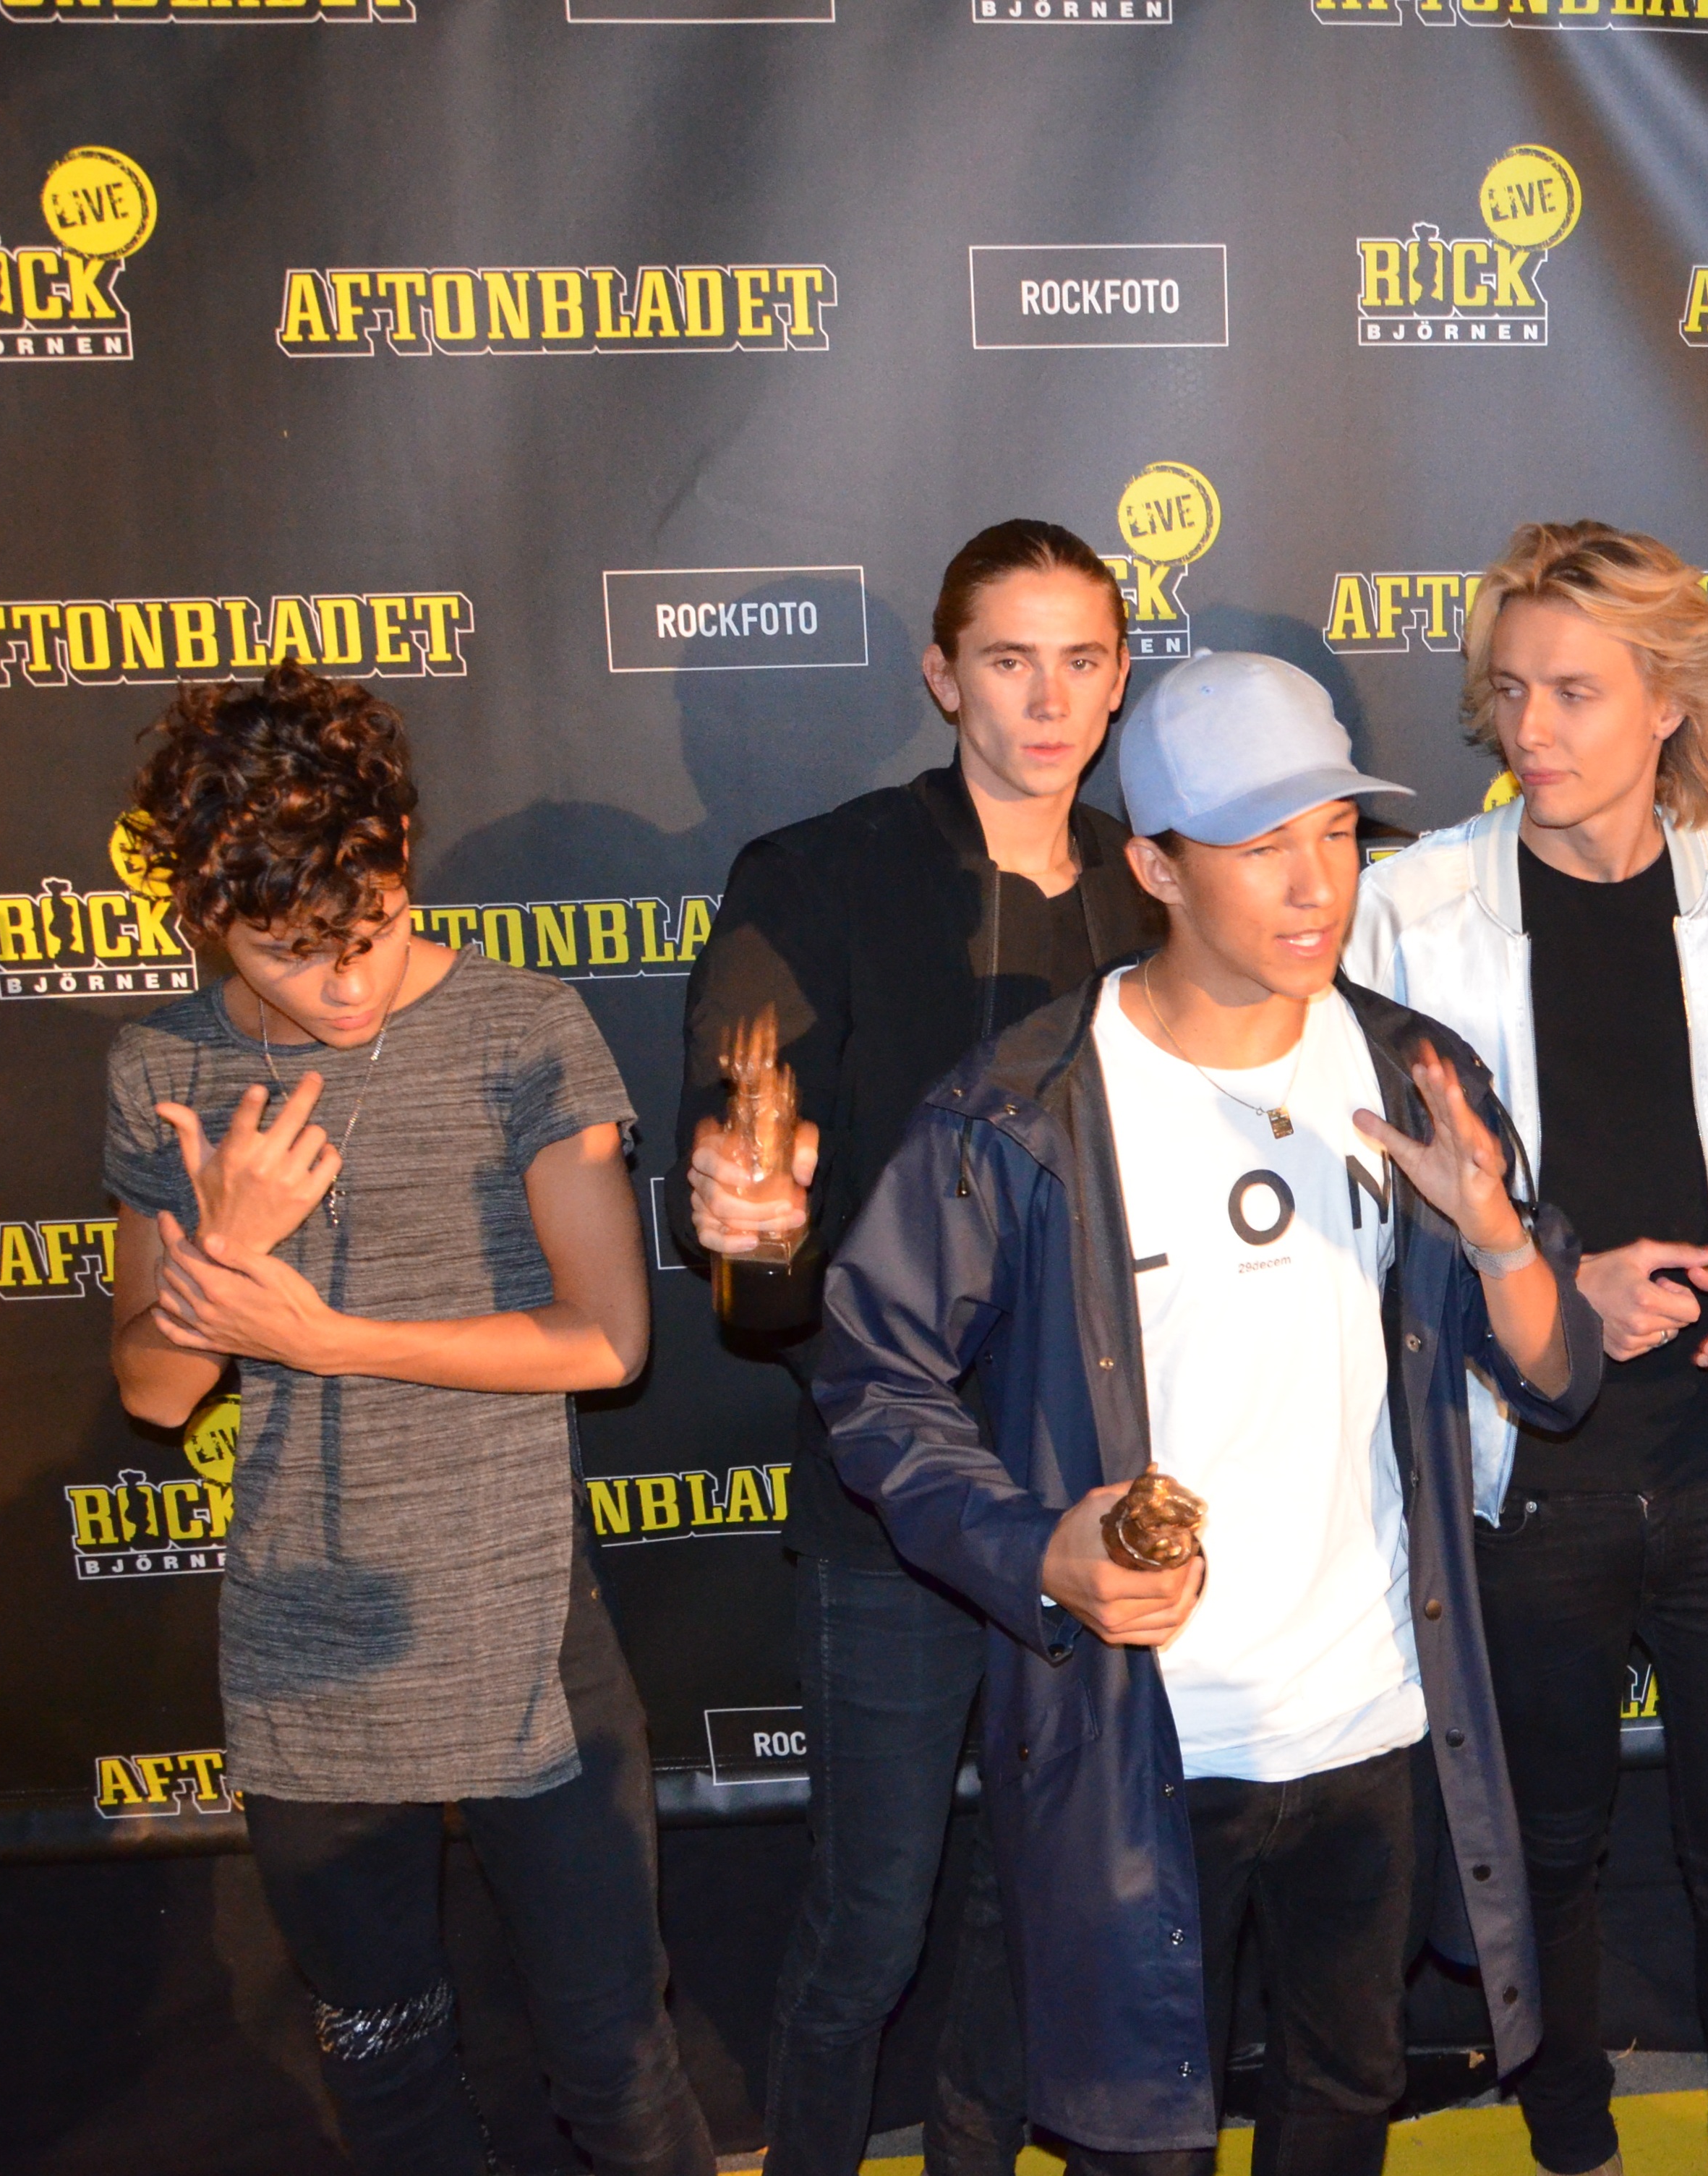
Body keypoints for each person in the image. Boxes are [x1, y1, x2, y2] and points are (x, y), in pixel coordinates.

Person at [811, 651, 1605, 2176]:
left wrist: (1502, 1237)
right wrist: (1035, 1547)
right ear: (1157, 867)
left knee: (1342, 2108)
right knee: (1139, 2143)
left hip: (1373, 1721)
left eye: (1337, 833)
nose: (1317, 885)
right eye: (1261, 845)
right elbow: (871, 1374)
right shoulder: (1027, 1105)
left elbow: (1560, 1376)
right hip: (1145, 1742)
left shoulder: (1414, 1073)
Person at [101, 665, 712, 2175]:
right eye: (289, 953)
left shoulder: (523, 1025)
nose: (343, 986)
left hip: (523, 1625)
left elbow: (610, 1339)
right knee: (387, 2074)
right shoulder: (165, 1067)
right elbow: (154, 1388)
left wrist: (327, 1338)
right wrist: (225, 1249)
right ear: (207, 916)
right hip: (306, 1650)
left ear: (402, 852)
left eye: (367, 927)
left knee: (617, 2068)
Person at [1346, 522, 1708, 2176]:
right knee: (1544, 1853)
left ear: (1668, 702)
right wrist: (1559, 1281)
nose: (1531, 726)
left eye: (1575, 690)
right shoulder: (1407, 910)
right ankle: (1574, 2145)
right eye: (1511, 690)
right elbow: (1369, 1192)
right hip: (1527, 1481)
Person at [669, 520, 1165, 2176]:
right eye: (1010, 661)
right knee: (869, 1926)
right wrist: (746, 1213)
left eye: (1081, 661)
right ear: (945, 676)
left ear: (1119, 678)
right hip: (895, 1502)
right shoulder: (819, 877)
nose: (1049, 699)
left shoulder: (1161, 892)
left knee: (1047, 1911)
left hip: (1103, 1499)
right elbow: (745, 1160)